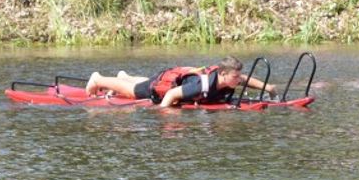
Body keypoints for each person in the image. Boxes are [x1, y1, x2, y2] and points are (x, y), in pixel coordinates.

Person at [84, 57, 274, 108]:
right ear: (223, 74)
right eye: (235, 77)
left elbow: (245, 79)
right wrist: (163, 111)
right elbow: (171, 94)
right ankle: (98, 78)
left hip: (172, 78)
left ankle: (123, 75)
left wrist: (268, 88)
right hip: (164, 88)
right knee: (133, 90)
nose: (239, 79)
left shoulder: (227, 79)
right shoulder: (202, 86)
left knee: (146, 82)